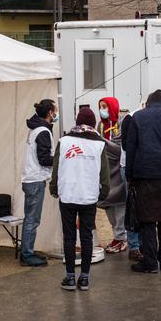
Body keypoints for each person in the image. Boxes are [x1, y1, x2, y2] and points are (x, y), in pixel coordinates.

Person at [49, 107, 110, 291]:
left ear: (77, 122)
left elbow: (56, 167)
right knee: (86, 237)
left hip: (67, 195)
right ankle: (84, 278)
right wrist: (103, 193)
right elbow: (104, 175)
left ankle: (69, 277)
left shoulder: (64, 141)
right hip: (89, 196)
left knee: (69, 236)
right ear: (92, 124)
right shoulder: (99, 145)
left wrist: (54, 188)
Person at [123, 89, 161, 274]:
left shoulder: (138, 118)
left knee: (147, 220)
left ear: (148, 102)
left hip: (144, 176)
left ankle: (150, 263)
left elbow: (130, 149)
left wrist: (130, 177)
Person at [19, 99, 57, 267]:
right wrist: (61, 157)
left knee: (31, 218)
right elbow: (44, 159)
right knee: (32, 220)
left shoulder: (36, 129)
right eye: (55, 110)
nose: (56, 113)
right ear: (50, 113)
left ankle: (28, 250)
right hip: (35, 180)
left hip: (30, 179)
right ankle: (26, 255)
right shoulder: (42, 131)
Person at [96, 97, 128, 254]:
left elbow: (120, 146)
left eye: (105, 106)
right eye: (101, 106)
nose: (102, 109)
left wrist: (102, 143)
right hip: (105, 171)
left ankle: (121, 237)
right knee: (107, 203)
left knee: (121, 204)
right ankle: (118, 234)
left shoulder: (121, 122)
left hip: (118, 168)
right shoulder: (100, 125)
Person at [120, 112, 143, 261]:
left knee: (142, 208)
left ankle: (141, 243)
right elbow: (126, 145)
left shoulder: (141, 117)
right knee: (132, 208)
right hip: (129, 168)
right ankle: (134, 246)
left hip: (142, 167)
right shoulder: (130, 118)